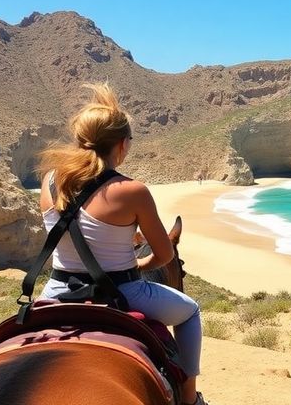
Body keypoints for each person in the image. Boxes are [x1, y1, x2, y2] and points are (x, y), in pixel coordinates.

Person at [37, 83, 207, 405]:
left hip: (57, 291)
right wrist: (139, 264)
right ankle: (188, 398)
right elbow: (164, 253)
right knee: (190, 313)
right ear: (121, 144)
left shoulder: (49, 182)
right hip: (124, 291)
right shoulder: (132, 190)